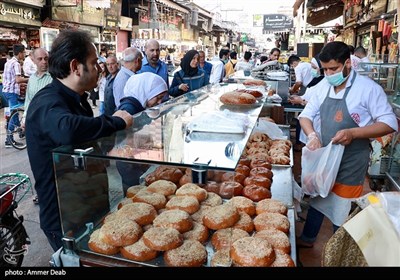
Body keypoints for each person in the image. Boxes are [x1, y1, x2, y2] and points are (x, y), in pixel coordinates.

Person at [25, 29, 133, 251]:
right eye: (93, 63)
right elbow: (67, 130)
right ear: (75, 67)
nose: (99, 69)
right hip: (65, 218)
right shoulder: (47, 100)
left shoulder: (79, 99)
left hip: (88, 205)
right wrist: (115, 121)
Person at [297, 41, 398, 248]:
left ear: (348, 63)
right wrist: (312, 135)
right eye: (325, 69)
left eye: (333, 68)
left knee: (341, 208)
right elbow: (306, 116)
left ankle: (338, 251)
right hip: (325, 157)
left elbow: (389, 123)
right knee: (318, 196)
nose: (328, 74)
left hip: (351, 160)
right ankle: (307, 239)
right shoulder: (324, 86)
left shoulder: (368, 89)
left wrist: (354, 132)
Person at [2, 44, 29, 148]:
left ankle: (19, 131)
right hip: (12, 92)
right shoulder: (16, 64)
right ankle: (10, 139)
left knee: (12, 113)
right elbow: (18, 80)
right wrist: (30, 79)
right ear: (20, 53)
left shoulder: (8, 62)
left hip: (6, 91)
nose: (24, 54)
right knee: (14, 114)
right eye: (24, 52)